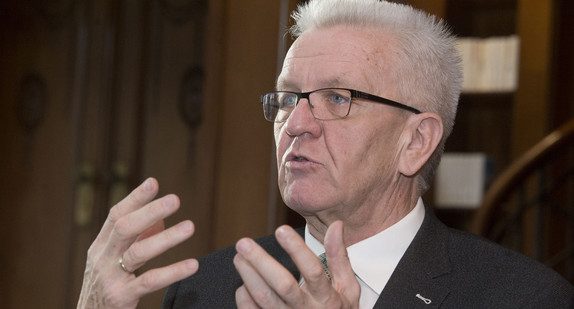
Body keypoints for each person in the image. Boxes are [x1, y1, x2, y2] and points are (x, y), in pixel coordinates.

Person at [78, 0, 574, 308]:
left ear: (416, 141)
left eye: (338, 99)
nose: (295, 124)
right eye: (288, 99)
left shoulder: (522, 298)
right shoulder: (206, 288)